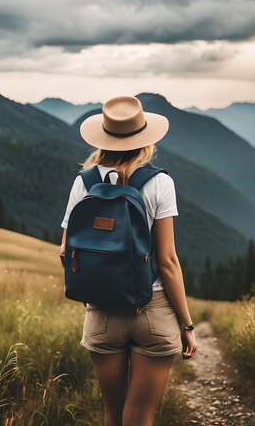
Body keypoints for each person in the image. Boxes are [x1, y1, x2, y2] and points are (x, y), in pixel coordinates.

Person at [59, 95, 197, 426]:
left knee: (113, 412)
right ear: (145, 139)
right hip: (153, 308)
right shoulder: (160, 183)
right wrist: (187, 325)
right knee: (139, 416)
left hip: (102, 310)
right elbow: (166, 261)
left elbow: (65, 251)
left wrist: (93, 293)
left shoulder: (84, 182)